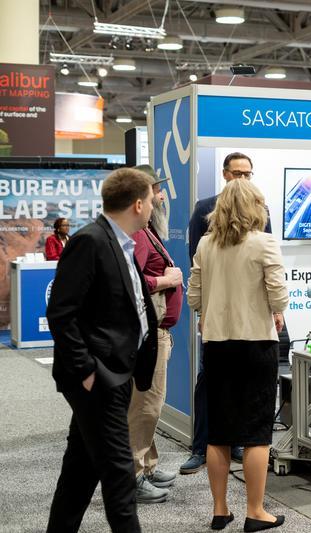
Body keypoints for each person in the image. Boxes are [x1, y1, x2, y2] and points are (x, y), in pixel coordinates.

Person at [46, 168, 158, 533]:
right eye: (153, 198)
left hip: (117, 372)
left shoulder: (123, 242)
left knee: (80, 471)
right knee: (118, 474)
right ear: (138, 204)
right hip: (99, 377)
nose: (157, 203)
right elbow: (61, 312)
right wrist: (86, 371)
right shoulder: (90, 241)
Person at [187, 179, 289, 531]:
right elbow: (278, 296)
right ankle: (256, 511)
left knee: (219, 431)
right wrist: (277, 310)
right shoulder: (264, 243)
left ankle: (219, 510)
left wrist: (207, 316)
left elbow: (194, 297)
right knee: (256, 431)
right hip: (257, 344)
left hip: (216, 344)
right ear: (255, 207)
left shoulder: (205, 244)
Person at [181, 151, 274, 474]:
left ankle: (238, 441)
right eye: (237, 173)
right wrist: (202, 312)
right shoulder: (204, 209)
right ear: (225, 174)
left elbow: (267, 266)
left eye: (248, 173)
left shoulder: (261, 208)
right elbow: (197, 264)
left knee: (247, 386)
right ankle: (200, 445)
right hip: (216, 316)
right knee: (210, 382)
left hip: (252, 317)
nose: (243, 179)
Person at [127, 165, 184, 504]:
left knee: (148, 406)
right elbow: (131, 282)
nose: (162, 197)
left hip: (158, 332)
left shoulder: (148, 231)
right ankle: (133, 475)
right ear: (142, 199)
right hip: (150, 335)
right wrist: (167, 281)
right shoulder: (138, 235)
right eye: (156, 193)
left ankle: (147, 466)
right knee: (145, 407)